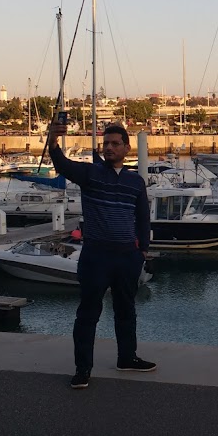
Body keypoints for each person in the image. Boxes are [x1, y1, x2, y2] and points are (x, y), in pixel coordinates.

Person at [47, 122, 154, 389]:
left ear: (127, 148)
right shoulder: (90, 174)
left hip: (127, 256)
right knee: (88, 314)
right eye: (105, 144)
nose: (108, 148)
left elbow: (142, 218)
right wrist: (53, 141)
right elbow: (62, 164)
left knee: (126, 311)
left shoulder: (135, 182)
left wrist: (142, 251)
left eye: (115, 143)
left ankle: (127, 358)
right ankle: (83, 369)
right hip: (96, 257)